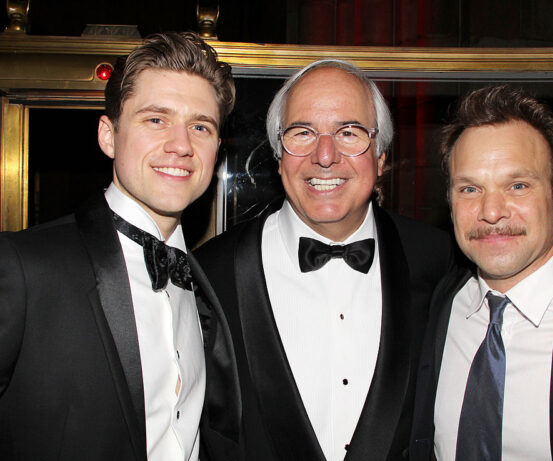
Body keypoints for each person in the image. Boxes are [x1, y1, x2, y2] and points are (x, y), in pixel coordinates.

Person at [196, 59, 454, 461]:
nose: (325, 155)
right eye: (302, 132)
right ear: (279, 156)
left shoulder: (440, 262)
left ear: (381, 157)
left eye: (349, 132)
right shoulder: (209, 273)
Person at [0, 32, 240, 461]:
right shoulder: (23, 268)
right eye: (156, 120)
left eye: (200, 126)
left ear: (217, 150)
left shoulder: (211, 285)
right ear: (108, 135)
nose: (181, 145)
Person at [410, 85, 553, 460]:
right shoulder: (440, 302)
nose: (491, 211)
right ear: (450, 203)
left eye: (517, 186)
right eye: (469, 189)